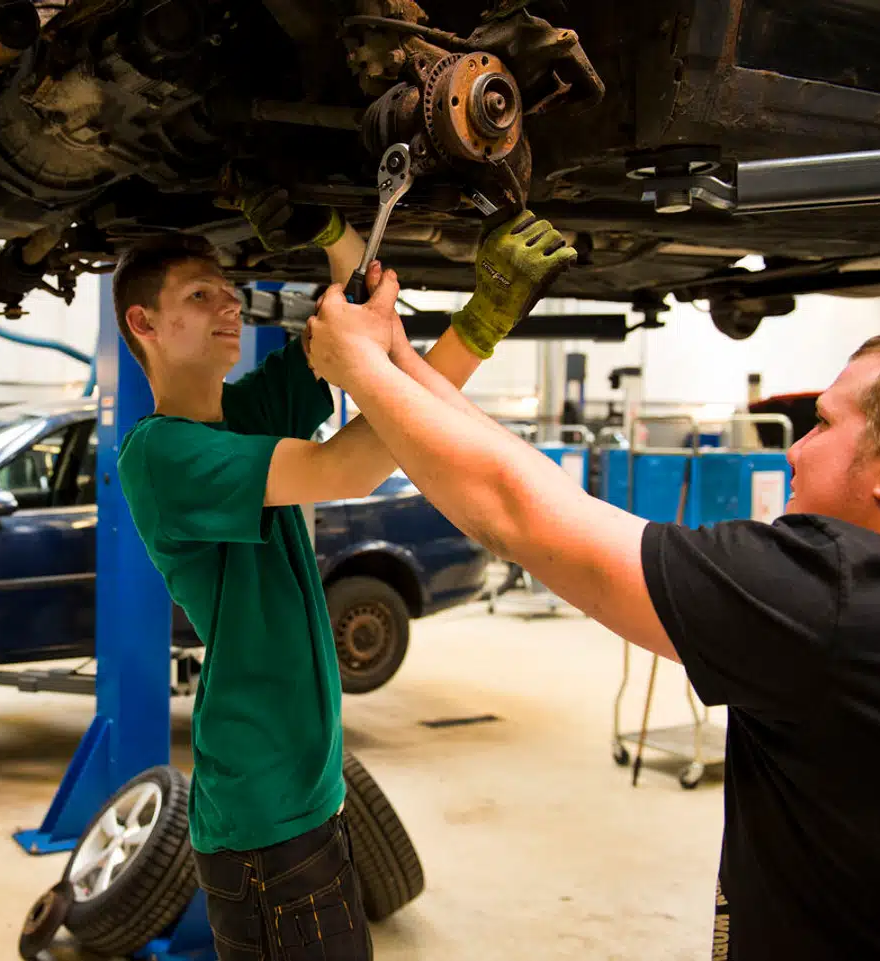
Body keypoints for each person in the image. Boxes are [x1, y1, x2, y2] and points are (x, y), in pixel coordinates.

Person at [305, 275, 880, 959]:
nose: (795, 449)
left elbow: (521, 513)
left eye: (826, 424)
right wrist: (398, 357)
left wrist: (356, 367)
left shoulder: (833, 598)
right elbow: (542, 488)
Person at [113, 193, 575, 959]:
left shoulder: (244, 410)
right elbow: (351, 463)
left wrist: (335, 234)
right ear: (144, 325)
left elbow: (377, 375)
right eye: (199, 295)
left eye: (226, 289)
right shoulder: (159, 455)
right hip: (265, 810)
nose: (229, 302)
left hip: (302, 790)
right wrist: (482, 319)